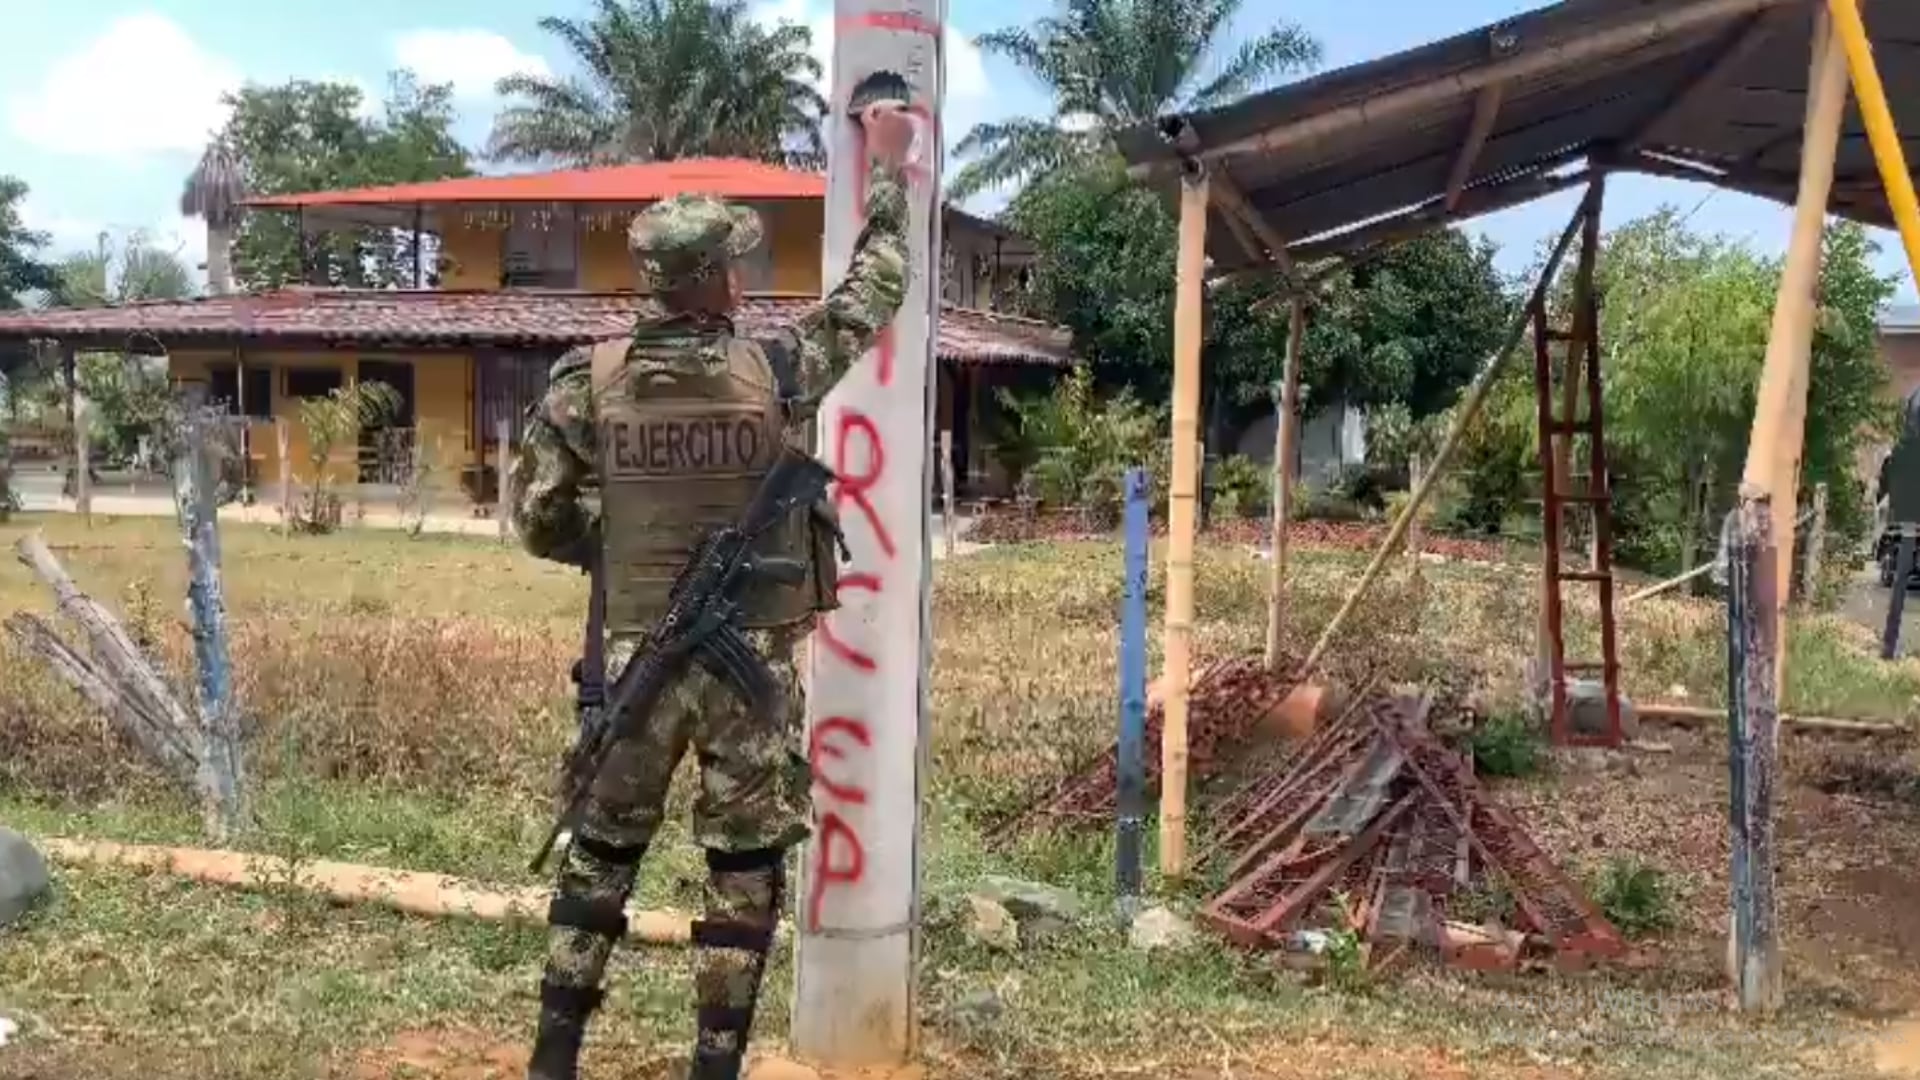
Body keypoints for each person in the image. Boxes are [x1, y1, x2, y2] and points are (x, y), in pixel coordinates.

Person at [508, 98, 918, 1080]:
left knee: (602, 852)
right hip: (750, 670)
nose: (744, 274)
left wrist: (622, 546)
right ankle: (715, 1064)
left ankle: (555, 1055)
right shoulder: (776, 369)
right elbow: (876, 287)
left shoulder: (583, 382)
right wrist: (891, 166)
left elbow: (539, 521)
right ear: (706, 280)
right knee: (744, 869)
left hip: (635, 658)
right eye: (733, 261)